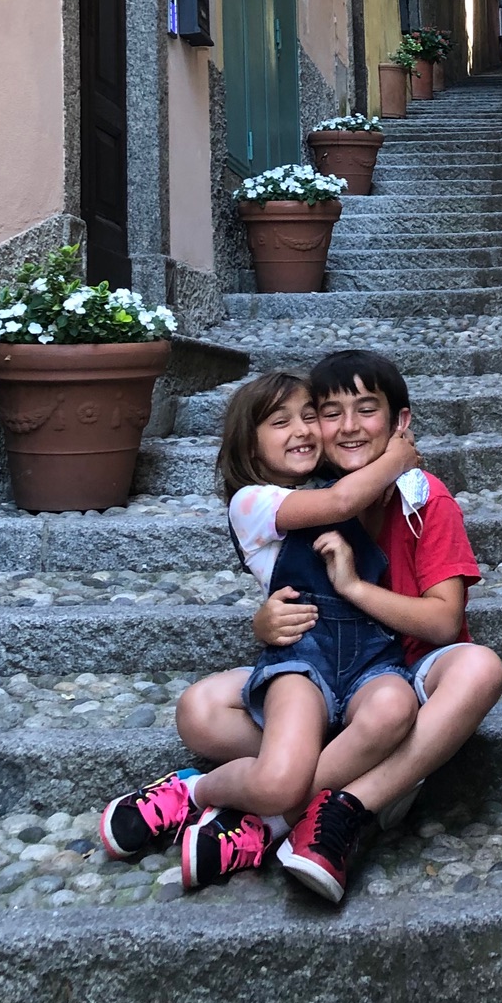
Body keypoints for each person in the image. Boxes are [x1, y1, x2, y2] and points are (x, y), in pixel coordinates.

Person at [177, 348, 502, 905]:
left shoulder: (425, 500)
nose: (347, 426)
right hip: (326, 676)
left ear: (400, 421)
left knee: (480, 668)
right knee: (198, 709)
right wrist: (266, 621)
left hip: (402, 677)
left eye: (367, 410)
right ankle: (308, 773)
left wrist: (356, 588)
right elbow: (306, 555)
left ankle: (311, 811)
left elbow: (443, 622)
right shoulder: (312, 497)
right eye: (330, 413)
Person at [98, 370, 421, 889]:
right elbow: (341, 504)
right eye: (280, 422)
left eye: (310, 416)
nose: (303, 430)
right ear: (250, 444)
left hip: (369, 659)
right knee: (277, 781)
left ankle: (268, 807)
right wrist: (397, 457)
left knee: (396, 707)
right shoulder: (253, 502)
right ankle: (196, 792)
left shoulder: (336, 482)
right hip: (304, 661)